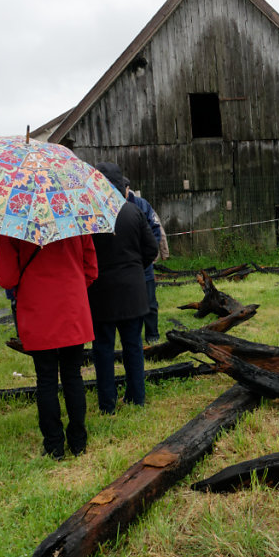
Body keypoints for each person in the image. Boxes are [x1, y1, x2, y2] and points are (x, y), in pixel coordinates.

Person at [0, 234, 98, 459]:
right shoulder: (73, 217)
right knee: (73, 375)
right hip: (72, 306)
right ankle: (79, 442)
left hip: (37, 310)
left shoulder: (14, 224)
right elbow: (91, 269)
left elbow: (6, 277)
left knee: (46, 379)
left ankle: (54, 446)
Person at [88, 162, 158, 414]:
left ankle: (107, 404)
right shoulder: (133, 212)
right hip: (133, 292)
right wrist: (134, 268)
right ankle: (136, 397)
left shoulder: (88, 217)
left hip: (100, 294)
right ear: (120, 187)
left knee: (103, 350)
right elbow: (152, 249)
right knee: (133, 347)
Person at [124, 176, 168, 344]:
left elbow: (156, 230)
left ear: (129, 188)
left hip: (144, 263)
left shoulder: (142, 204)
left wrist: (147, 255)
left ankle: (152, 335)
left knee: (150, 303)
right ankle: (132, 336)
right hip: (126, 265)